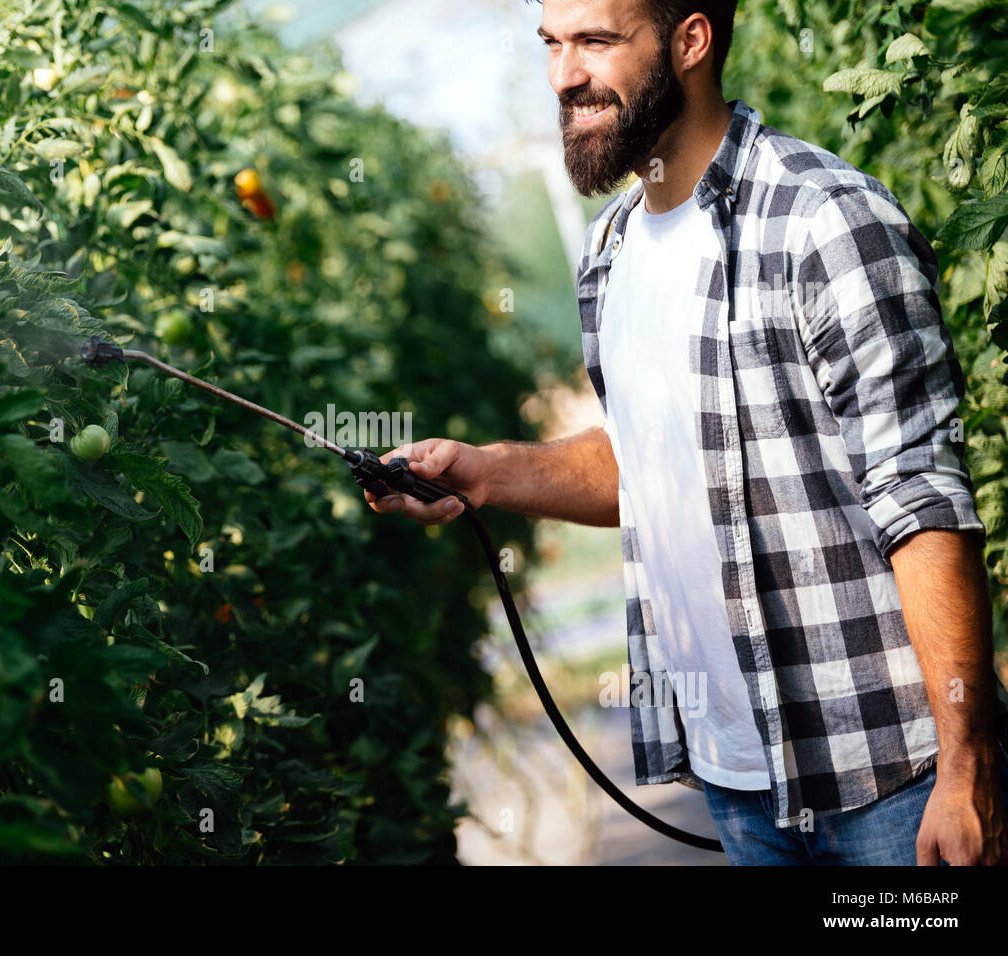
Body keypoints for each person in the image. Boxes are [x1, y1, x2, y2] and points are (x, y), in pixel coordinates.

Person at [366, 0, 1008, 865]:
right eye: (553, 45)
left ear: (691, 41)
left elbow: (922, 499)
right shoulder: (610, 255)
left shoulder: (823, 222)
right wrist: (483, 472)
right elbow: (654, 461)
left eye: (596, 42)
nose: (564, 77)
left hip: (890, 778)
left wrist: (969, 766)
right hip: (741, 784)